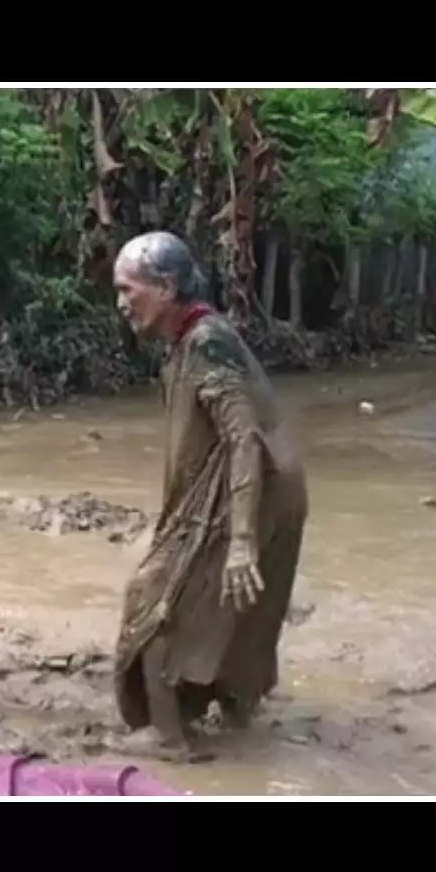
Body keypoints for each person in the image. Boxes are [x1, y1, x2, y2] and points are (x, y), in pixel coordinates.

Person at [110, 231, 309, 762]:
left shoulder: (206, 342)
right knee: (238, 606)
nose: (121, 302)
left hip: (250, 493)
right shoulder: (190, 340)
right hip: (266, 490)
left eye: (129, 289)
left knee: (153, 598)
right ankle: (237, 714)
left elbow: (241, 436)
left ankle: (169, 737)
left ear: (167, 287)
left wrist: (241, 540)